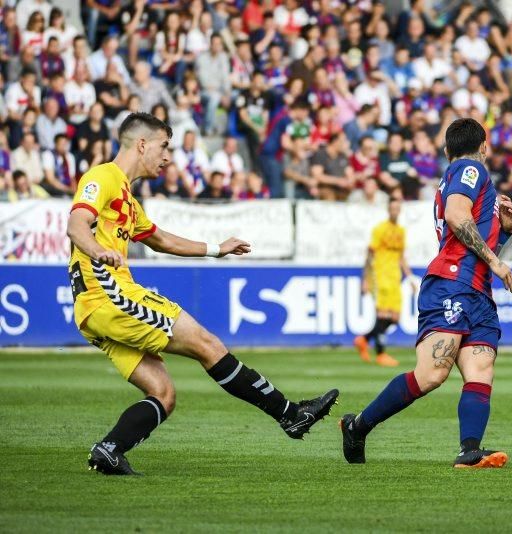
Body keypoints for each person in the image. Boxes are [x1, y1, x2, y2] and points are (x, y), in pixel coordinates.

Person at [66, 112, 338, 476]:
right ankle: (290, 415)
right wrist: (98, 250)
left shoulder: (128, 198)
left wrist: (216, 248)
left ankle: (109, 450)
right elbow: (75, 225)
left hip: (92, 311)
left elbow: (161, 239)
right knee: (207, 344)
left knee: (164, 394)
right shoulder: (103, 177)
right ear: (142, 143)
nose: (167, 157)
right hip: (111, 296)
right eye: (164, 147)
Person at [340, 118, 512, 468]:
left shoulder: (461, 179)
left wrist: (505, 232)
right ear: (483, 146)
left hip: (477, 290)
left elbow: (469, 230)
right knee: (432, 373)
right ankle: (357, 426)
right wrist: (497, 261)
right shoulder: (470, 169)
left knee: (480, 369)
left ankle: (469, 450)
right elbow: (455, 216)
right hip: (453, 282)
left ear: (446, 148)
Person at [353, 199, 416, 367]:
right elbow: (369, 255)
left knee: (394, 318)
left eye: (398, 208)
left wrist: (410, 279)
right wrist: (365, 279)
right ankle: (381, 353)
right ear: (389, 210)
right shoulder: (380, 230)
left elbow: (402, 257)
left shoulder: (401, 231)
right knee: (382, 315)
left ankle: (363, 339)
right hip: (379, 276)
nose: (395, 211)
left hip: (395, 278)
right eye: (393, 208)